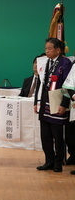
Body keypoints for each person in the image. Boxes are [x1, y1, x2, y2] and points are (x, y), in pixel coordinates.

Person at [34, 38, 72, 172]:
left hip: (57, 102)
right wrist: (36, 102)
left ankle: (58, 161)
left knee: (57, 135)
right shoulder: (44, 62)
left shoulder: (65, 63)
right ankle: (48, 160)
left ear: (58, 50)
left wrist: (64, 104)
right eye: (46, 49)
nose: (47, 51)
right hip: (45, 102)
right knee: (45, 135)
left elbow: (69, 85)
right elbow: (40, 83)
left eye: (50, 49)